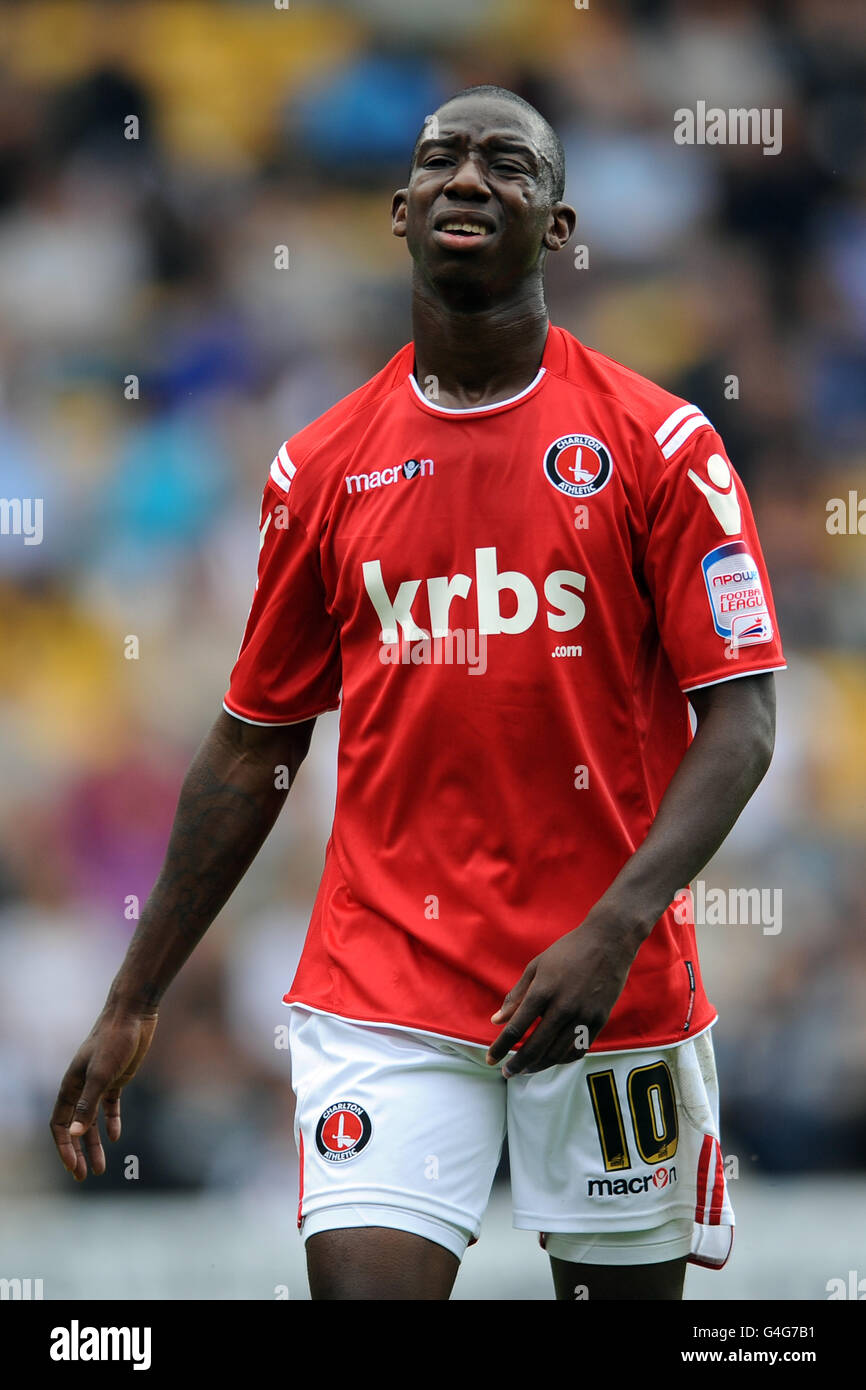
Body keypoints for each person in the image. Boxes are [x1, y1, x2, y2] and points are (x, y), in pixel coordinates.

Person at [51, 85, 786, 1301]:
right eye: (441, 159)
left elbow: (743, 722)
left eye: (507, 164)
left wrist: (609, 929)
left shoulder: (661, 447)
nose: (466, 180)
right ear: (397, 212)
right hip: (382, 985)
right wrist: (135, 997)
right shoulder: (322, 466)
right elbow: (253, 746)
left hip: (612, 990)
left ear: (556, 225)